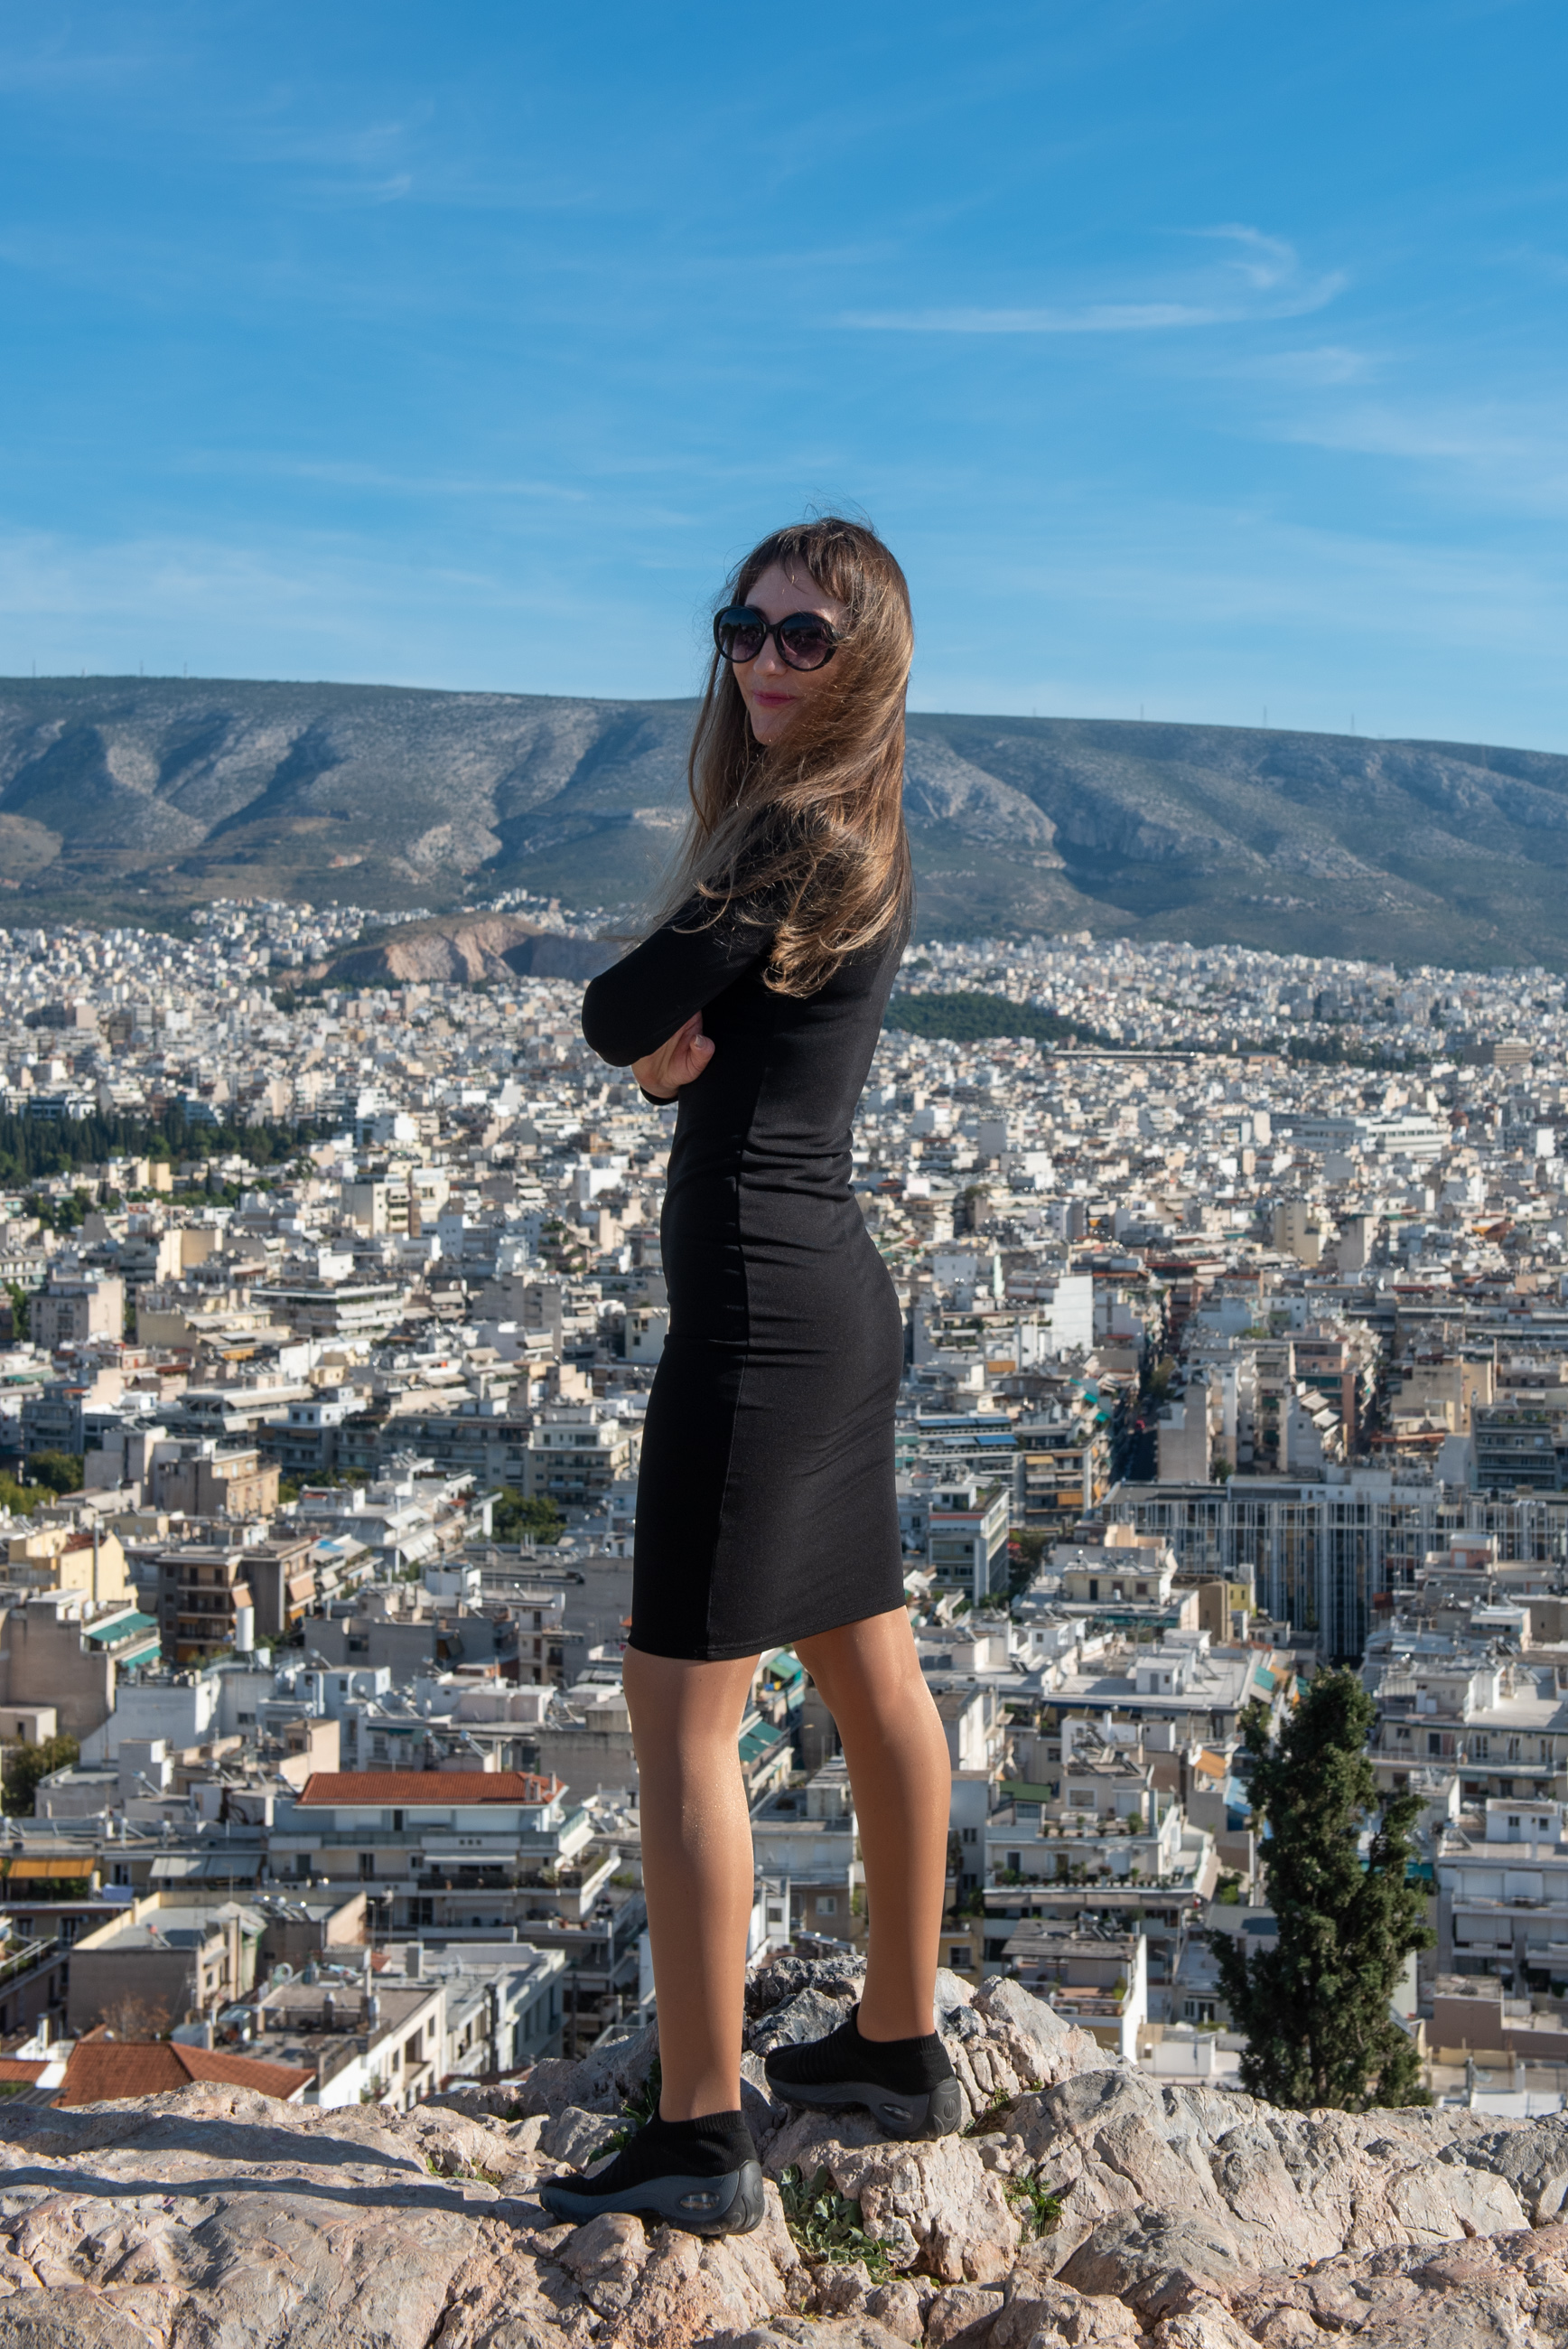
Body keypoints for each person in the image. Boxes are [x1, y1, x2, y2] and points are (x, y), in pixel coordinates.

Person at [540, 517, 958, 2240]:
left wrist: (648, 1055)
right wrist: (671, 1072)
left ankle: (698, 2131)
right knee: (870, 1673)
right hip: (835, 1303)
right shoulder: (859, 832)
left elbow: (613, 1008)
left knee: (683, 1721)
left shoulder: (791, 832)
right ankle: (898, 2043)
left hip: (759, 1325)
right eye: (744, 627)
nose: (764, 661)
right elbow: (702, 1051)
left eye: (804, 636)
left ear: (867, 662)